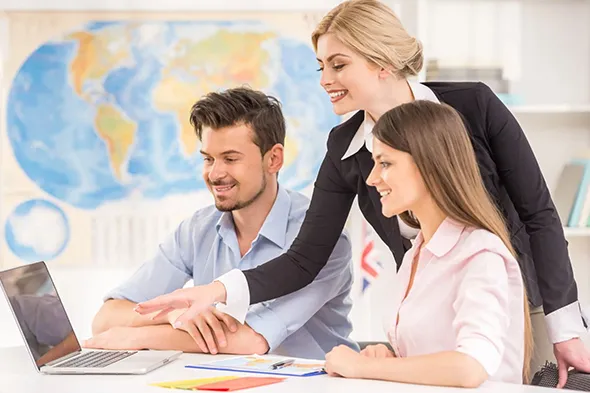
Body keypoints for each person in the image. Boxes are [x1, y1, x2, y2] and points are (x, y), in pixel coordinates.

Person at [135, 0, 590, 385]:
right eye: (321, 66)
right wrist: (215, 290)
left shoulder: (472, 105)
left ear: (381, 62)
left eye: (338, 64)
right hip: (424, 309)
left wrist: (564, 325)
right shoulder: (345, 147)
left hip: (516, 303)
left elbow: (538, 215)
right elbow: (304, 258)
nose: (324, 80)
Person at [86, 87, 357, 359]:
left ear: (273, 159)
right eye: (208, 159)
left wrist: (136, 336)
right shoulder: (197, 230)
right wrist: (174, 315)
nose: (215, 174)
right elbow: (107, 318)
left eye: (230, 159)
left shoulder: (322, 239)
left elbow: (249, 340)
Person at [324, 100, 532, 386]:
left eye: (385, 163)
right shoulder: (418, 253)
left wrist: (364, 368)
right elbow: (433, 354)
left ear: (429, 165)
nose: (372, 179)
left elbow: (470, 368)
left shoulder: (481, 254)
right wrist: (389, 357)